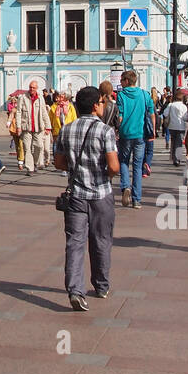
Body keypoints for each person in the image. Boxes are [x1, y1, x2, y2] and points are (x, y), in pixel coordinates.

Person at [54, 86, 120, 311]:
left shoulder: (67, 129)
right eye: (102, 102)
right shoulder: (105, 131)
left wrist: (76, 170)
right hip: (100, 194)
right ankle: (101, 285)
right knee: (101, 240)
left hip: (76, 195)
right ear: (95, 105)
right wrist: (106, 175)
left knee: (74, 243)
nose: (103, 106)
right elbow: (113, 165)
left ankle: (75, 290)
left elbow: (59, 163)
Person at [114, 71, 153, 208]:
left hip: (125, 134)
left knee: (123, 161)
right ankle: (137, 199)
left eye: (121, 80)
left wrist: (117, 129)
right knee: (137, 166)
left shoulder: (121, 95)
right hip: (140, 134)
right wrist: (152, 131)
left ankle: (126, 187)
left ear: (126, 81)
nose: (120, 83)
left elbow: (120, 116)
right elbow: (151, 113)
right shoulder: (144, 94)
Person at [18, 80, 49, 173]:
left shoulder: (40, 98)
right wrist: (18, 126)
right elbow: (19, 112)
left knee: (39, 146)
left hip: (38, 127)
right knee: (27, 148)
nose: (31, 89)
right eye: (30, 87)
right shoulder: (22, 97)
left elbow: (44, 112)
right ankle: (29, 168)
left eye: (33, 88)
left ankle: (35, 163)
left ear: (37, 88)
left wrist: (48, 126)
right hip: (26, 127)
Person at [165, 89, 188, 165]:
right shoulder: (183, 106)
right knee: (179, 143)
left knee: (173, 141)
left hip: (171, 126)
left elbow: (165, 114)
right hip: (180, 126)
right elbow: (185, 118)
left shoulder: (171, 105)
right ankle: (177, 159)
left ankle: (173, 157)